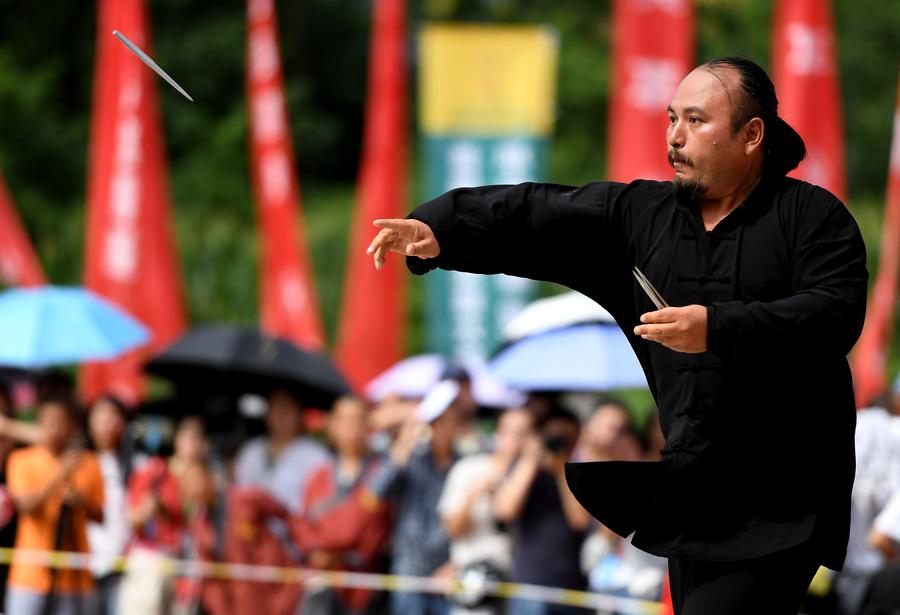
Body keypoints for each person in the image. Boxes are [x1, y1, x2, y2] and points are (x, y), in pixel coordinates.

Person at [367, 55, 868, 615]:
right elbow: (540, 213)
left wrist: (716, 326)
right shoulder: (644, 217)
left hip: (784, 495)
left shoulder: (812, 217)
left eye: (696, 121)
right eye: (671, 118)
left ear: (751, 135)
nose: (675, 136)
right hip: (692, 487)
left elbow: (835, 313)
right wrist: (443, 226)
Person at [366, 380, 462, 615]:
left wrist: (456, 563)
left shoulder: (463, 465)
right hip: (409, 571)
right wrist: (404, 441)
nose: (443, 428)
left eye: (449, 421)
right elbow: (375, 493)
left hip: (449, 574)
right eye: (437, 421)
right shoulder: (412, 459)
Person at [6, 387, 104, 615]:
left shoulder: (89, 462)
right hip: (29, 575)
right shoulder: (21, 459)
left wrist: (80, 501)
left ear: (72, 425)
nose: (54, 428)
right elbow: (25, 507)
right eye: (49, 421)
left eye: (61, 421)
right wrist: (60, 475)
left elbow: (100, 516)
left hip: (74, 576)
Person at [292, 397, 392, 615]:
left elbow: (377, 528)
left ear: (368, 426)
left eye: (356, 420)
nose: (350, 427)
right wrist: (315, 550)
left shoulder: (381, 474)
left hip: (362, 585)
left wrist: (343, 552)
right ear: (333, 426)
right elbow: (302, 522)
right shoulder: (319, 476)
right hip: (321, 579)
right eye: (344, 420)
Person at [493, 407, 591, 615]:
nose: (559, 443)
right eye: (554, 437)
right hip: (529, 584)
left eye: (567, 439)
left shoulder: (578, 474)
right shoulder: (522, 467)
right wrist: (531, 459)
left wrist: (562, 469)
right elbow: (505, 510)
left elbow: (580, 521)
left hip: (571, 586)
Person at [438, 407, 533, 615]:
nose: (516, 440)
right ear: (498, 433)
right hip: (474, 578)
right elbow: (452, 527)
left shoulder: (533, 474)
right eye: (511, 432)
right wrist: (475, 493)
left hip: (515, 583)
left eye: (524, 433)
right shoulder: (469, 468)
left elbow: (507, 510)